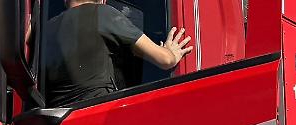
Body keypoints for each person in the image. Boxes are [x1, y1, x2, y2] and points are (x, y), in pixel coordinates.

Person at [42, 0, 193, 107]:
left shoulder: (45, 30)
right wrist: (171, 51)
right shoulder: (103, 14)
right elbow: (165, 60)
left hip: (59, 123)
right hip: (97, 111)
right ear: (103, 1)